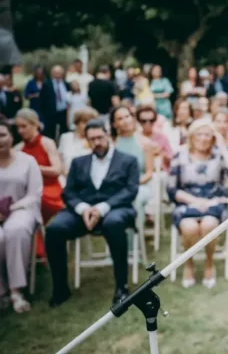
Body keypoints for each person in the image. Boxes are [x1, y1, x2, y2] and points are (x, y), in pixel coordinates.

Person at [45, 119, 139, 307]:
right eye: (92, 139)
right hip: (82, 212)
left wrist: (102, 208)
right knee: (54, 229)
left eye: (99, 137)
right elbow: (68, 192)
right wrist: (84, 209)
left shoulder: (128, 161)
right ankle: (60, 288)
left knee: (113, 223)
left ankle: (122, 287)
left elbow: (130, 191)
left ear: (108, 136)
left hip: (116, 209)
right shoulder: (79, 162)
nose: (96, 142)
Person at [167, 119, 228, 288]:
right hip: (187, 202)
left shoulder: (218, 154)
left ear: (213, 137)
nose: (203, 138)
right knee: (190, 227)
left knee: (209, 225)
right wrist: (195, 201)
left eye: (208, 134)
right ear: (192, 137)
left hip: (214, 203)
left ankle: (208, 263)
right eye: (199, 134)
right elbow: (171, 189)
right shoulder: (180, 155)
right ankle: (189, 264)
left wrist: (222, 147)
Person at [0, 117, 43, 313]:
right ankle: (2, 291)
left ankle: (16, 290)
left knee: (14, 231)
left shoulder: (27, 161)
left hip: (22, 209)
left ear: (10, 136)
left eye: (2, 135)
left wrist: (12, 209)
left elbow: (35, 193)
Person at [14, 108, 64, 230]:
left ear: (34, 124)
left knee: (32, 202)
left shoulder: (47, 143)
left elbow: (57, 170)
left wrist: (35, 168)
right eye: (18, 127)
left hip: (50, 190)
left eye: (23, 126)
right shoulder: (18, 149)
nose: (20, 131)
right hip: (30, 191)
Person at [110, 106, 155, 214]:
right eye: (120, 119)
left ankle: (136, 230)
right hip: (115, 186)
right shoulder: (112, 144)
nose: (125, 121)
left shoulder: (146, 143)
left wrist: (132, 185)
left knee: (135, 198)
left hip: (139, 185)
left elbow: (149, 173)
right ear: (114, 124)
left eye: (127, 116)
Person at [58, 106, 99, 178]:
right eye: (84, 122)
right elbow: (60, 160)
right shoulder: (66, 137)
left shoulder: (96, 141)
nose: (88, 125)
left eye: (91, 122)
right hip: (65, 179)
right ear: (77, 122)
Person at [136, 104, 174, 170]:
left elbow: (171, 159)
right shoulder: (135, 137)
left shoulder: (162, 137)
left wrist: (161, 153)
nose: (148, 123)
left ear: (155, 120)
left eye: (151, 120)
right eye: (143, 121)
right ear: (139, 121)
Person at [40, 65, 70, 140]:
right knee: (50, 131)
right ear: (52, 73)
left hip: (63, 111)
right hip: (51, 112)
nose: (58, 75)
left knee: (64, 130)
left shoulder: (66, 84)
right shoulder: (47, 84)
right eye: (56, 73)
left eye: (59, 73)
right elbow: (42, 99)